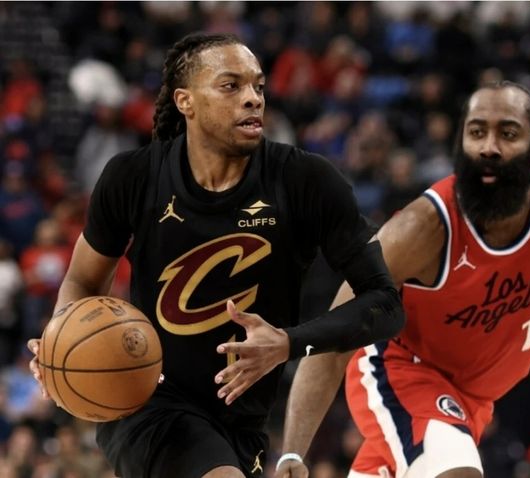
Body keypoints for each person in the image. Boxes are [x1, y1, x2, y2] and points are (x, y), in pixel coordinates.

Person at [26, 32, 405, 478]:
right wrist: (61, 340)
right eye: (231, 86)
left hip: (243, 422)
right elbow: (84, 280)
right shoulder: (133, 176)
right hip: (149, 399)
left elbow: (385, 303)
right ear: (185, 101)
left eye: (258, 86)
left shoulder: (305, 181)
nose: (253, 98)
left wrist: (288, 342)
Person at [275, 81, 530, 478]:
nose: (489, 147)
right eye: (476, 132)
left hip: (472, 398)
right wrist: (292, 454)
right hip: (399, 368)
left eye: (507, 133)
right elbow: (332, 339)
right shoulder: (423, 227)